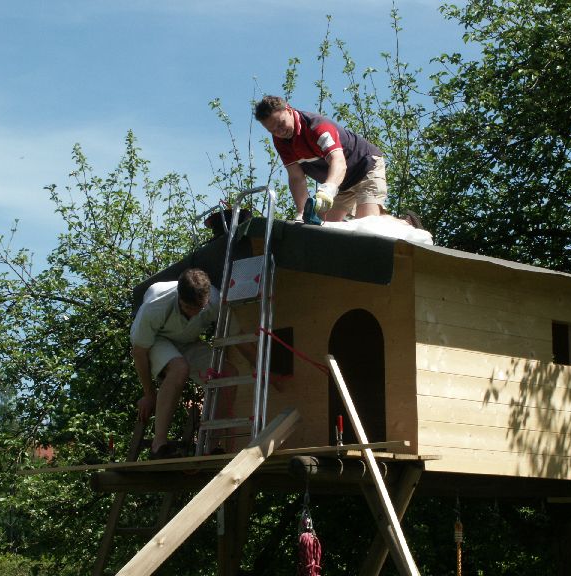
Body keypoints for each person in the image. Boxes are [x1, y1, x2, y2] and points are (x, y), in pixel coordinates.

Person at [130, 268, 256, 458]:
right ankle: (158, 446)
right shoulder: (156, 305)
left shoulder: (215, 301)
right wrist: (149, 394)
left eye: (199, 308)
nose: (194, 313)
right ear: (179, 297)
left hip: (188, 341)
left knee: (228, 374)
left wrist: (264, 367)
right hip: (157, 340)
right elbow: (139, 352)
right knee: (179, 368)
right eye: (188, 308)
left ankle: (211, 447)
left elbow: (238, 336)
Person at [255, 94, 391, 223]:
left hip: (365, 168)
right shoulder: (280, 140)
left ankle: (401, 226)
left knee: (365, 226)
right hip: (342, 184)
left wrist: (328, 189)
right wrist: (301, 212)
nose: (280, 132)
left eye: (281, 124)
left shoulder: (317, 127)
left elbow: (338, 161)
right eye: (272, 130)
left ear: (289, 110)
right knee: (322, 229)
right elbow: (296, 177)